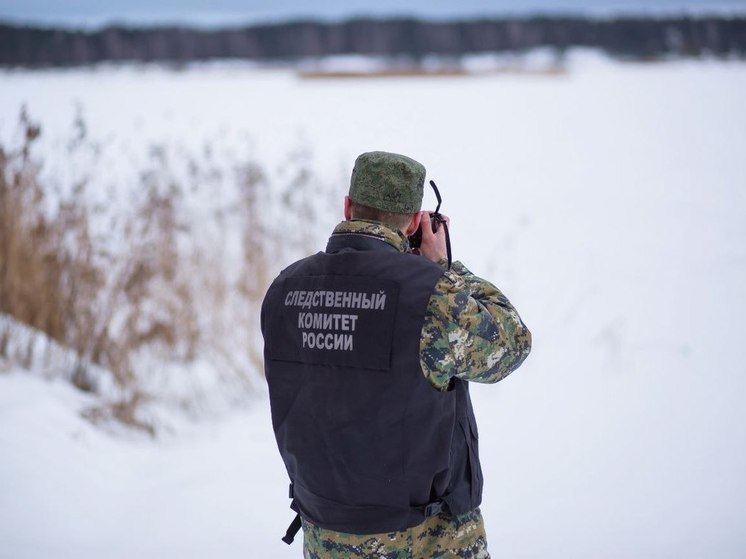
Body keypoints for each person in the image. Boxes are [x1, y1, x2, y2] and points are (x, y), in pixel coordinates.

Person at [261, 151, 531, 558]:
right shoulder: (430, 294)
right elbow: (511, 345)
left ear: (348, 207)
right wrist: (445, 267)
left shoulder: (286, 287)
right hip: (423, 537)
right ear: (415, 222)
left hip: (325, 534)